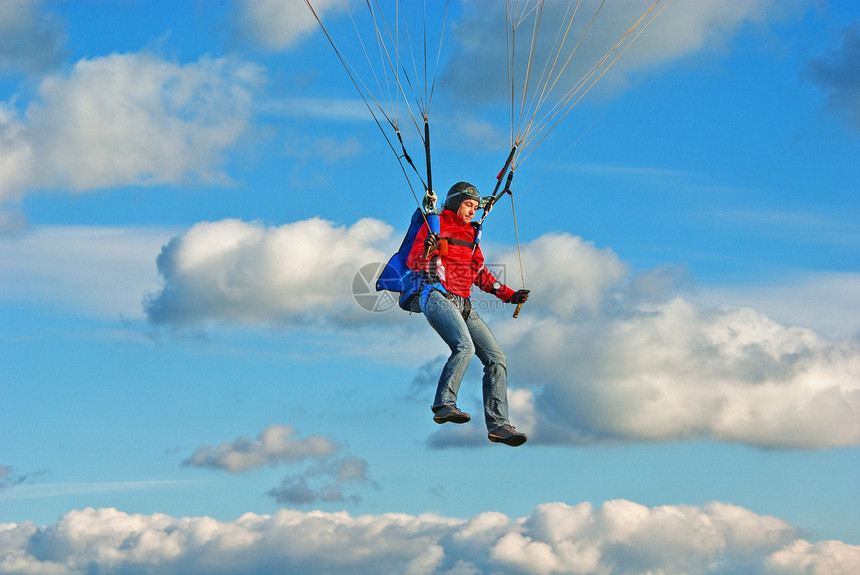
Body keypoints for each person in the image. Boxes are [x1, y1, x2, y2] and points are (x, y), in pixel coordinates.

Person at [407, 181, 530, 446]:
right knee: (464, 348)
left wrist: (510, 295)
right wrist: (428, 248)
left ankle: (499, 425)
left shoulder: (472, 236)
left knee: (497, 358)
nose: (472, 211)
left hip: (464, 303)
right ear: (454, 203)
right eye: (468, 205)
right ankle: (444, 404)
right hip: (436, 294)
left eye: (475, 207)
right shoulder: (436, 224)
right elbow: (414, 261)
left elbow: (481, 275)